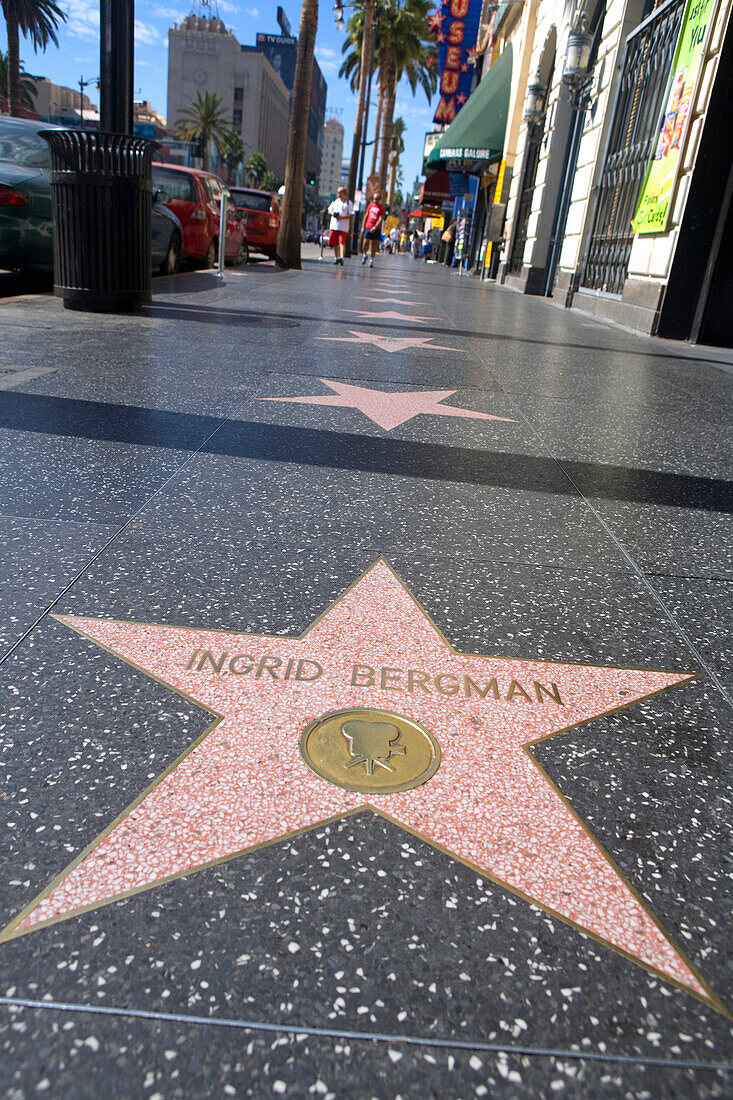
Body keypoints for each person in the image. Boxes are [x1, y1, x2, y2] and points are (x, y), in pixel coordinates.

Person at [327, 187, 353, 265]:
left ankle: (341, 257)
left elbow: (351, 214)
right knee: (334, 243)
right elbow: (329, 210)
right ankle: (336, 257)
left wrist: (342, 217)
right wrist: (333, 214)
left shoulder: (348, 203)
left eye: (340, 192)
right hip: (334, 225)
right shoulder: (335, 202)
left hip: (343, 227)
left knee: (342, 242)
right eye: (338, 192)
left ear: (344, 193)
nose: (338, 194)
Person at [360, 190, 386, 267]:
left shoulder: (382, 208)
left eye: (377, 199)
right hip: (368, 226)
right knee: (365, 242)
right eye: (374, 198)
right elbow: (366, 215)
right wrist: (363, 226)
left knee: (374, 244)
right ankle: (364, 255)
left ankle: (371, 260)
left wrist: (375, 227)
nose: (375, 200)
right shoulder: (370, 206)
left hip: (376, 229)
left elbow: (381, 219)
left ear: (380, 199)